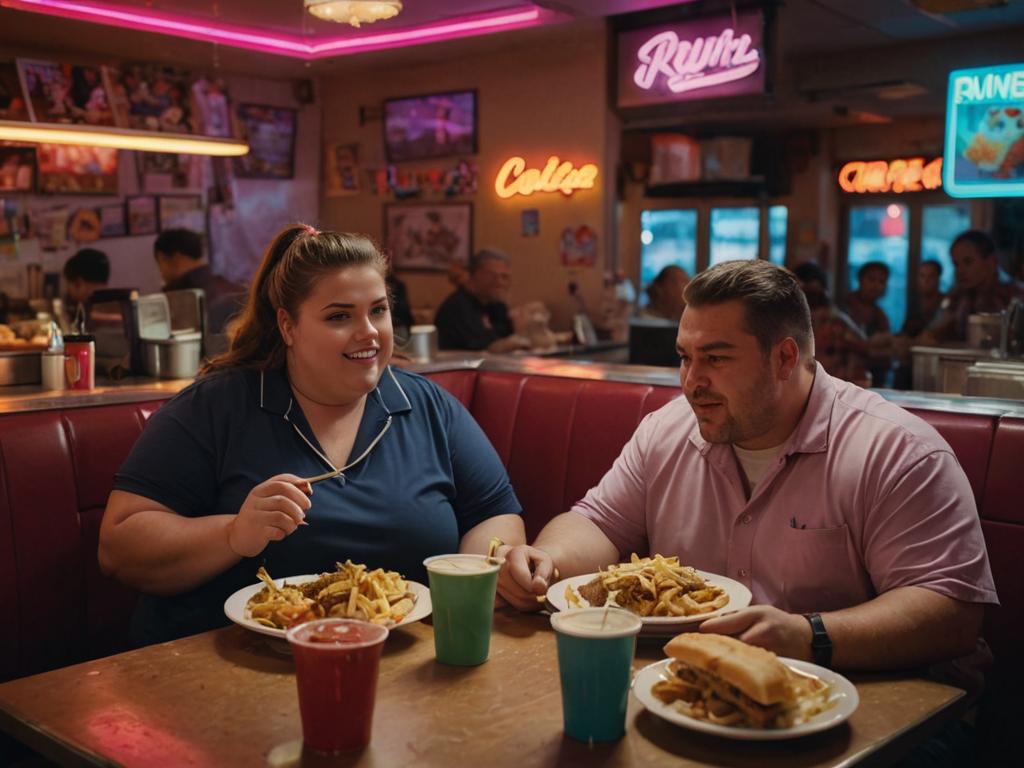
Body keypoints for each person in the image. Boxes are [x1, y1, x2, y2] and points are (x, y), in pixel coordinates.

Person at [499, 260, 995, 682]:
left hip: (880, 699)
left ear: (784, 358)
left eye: (715, 358)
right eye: (685, 358)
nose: (692, 382)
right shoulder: (667, 429)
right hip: (702, 686)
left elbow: (950, 612)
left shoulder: (896, 450)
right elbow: (599, 522)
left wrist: (811, 635)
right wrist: (547, 562)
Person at [99, 224, 525, 646]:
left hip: (402, 667)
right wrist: (233, 534)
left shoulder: (428, 406)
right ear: (288, 326)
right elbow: (120, 546)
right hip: (226, 667)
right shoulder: (216, 406)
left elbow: (494, 514)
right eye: (340, 316)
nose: (369, 332)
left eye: (378, 310)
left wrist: (485, 571)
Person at [931, 230, 1024, 342]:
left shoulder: (1016, 296)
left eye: (968, 262)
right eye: (956, 264)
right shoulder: (957, 296)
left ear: (991, 262)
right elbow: (933, 331)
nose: (959, 271)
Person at [434, 249, 530, 352]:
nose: (500, 282)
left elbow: (510, 336)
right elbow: (488, 349)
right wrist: (519, 336)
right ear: (475, 275)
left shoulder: (495, 304)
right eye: (493, 276)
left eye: (504, 277)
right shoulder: (457, 307)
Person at [153, 228, 245, 335]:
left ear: (177, 259)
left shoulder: (177, 298)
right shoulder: (231, 287)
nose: (161, 272)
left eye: (160, 261)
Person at [792, 262, 869, 386]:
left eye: (812, 294)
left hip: (832, 385)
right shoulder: (790, 320)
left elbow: (863, 346)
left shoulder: (836, 320)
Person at [843, 261, 892, 386]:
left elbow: (889, 352)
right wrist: (871, 346)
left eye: (881, 281)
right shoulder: (844, 307)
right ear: (860, 280)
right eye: (871, 279)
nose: (875, 285)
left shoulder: (881, 316)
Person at [62, 247, 110, 327]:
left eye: (68, 285)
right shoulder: (118, 305)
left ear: (78, 283)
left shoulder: (92, 316)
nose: (68, 290)